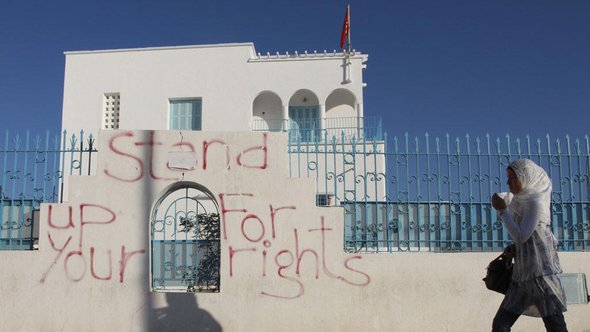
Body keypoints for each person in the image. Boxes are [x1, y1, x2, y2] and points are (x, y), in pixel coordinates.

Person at [491, 159, 568, 332]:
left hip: (541, 275)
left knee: (555, 326)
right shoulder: (519, 203)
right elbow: (525, 239)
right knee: (500, 325)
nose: (508, 183)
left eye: (513, 178)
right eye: (508, 178)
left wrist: (503, 211)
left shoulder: (536, 202)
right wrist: (516, 251)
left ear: (526, 178)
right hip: (522, 277)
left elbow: (521, 235)